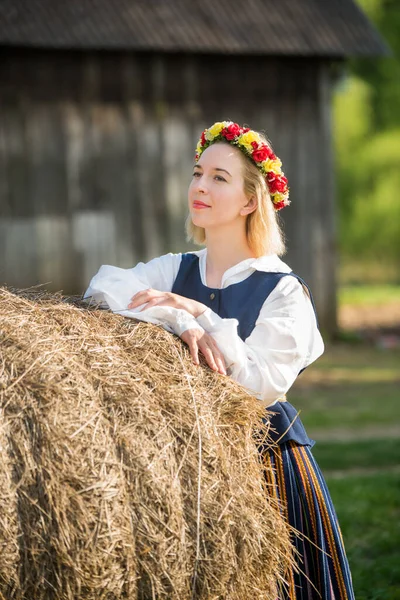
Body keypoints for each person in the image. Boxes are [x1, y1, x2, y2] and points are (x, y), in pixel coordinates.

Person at [84, 121, 355, 600]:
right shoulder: (176, 268)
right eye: (197, 172)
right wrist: (175, 316)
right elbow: (104, 289)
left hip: (260, 466)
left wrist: (201, 312)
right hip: (182, 457)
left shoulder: (284, 290)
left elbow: (256, 386)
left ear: (251, 201)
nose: (200, 186)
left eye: (219, 178)